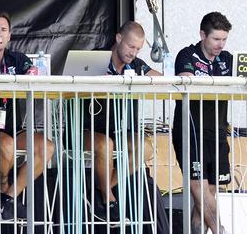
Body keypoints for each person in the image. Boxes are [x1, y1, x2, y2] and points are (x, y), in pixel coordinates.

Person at [0, 12, 55, 221]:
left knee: (47, 147)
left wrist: (33, 72)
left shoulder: (18, 58)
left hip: (12, 127)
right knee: (6, 145)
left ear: (10, 36)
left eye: (3, 30)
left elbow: (33, 76)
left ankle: (8, 197)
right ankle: (2, 187)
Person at [81, 21, 161, 222]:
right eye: (130, 46)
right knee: (105, 144)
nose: (133, 53)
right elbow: (69, 83)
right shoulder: (95, 59)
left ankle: (102, 187)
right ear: (118, 39)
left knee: (146, 148)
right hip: (83, 130)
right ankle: (108, 201)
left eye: (138, 49)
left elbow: (162, 79)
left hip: (116, 132)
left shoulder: (136, 65)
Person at [173, 12, 233, 234]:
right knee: (198, 187)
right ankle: (221, 230)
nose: (221, 44)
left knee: (208, 193)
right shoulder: (187, 54)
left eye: (224, 39)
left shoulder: (228, 59)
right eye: (216, 39)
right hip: (191, 131)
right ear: (202, 35)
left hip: (217, 132)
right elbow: (187, 78)